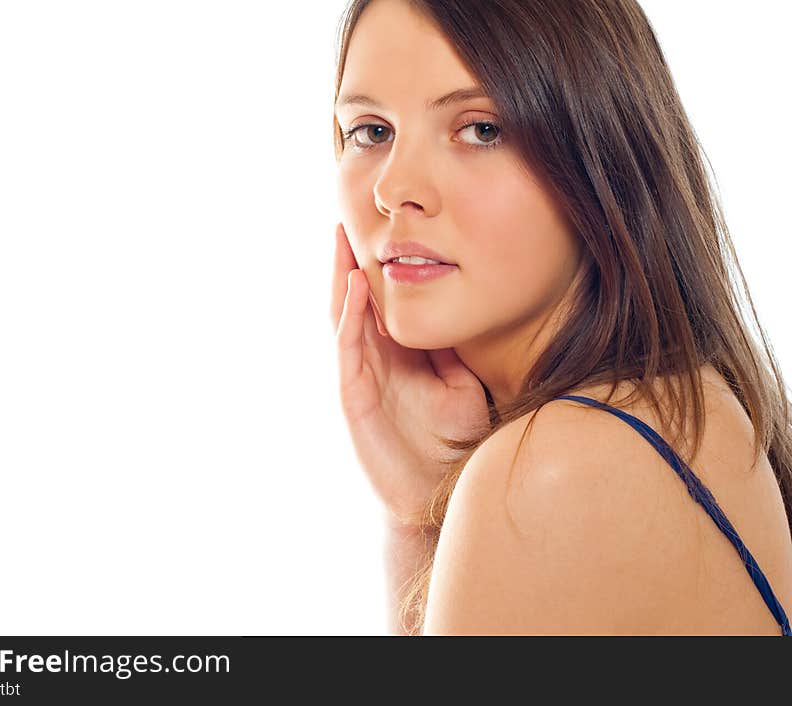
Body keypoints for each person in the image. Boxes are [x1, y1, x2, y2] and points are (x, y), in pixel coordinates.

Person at [328, 0, 792, 636]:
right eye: (371, 131)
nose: (393, 188)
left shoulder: (558, 471)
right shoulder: (677, 406)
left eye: (481, 129)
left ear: (601, 155)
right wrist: (420, 512)